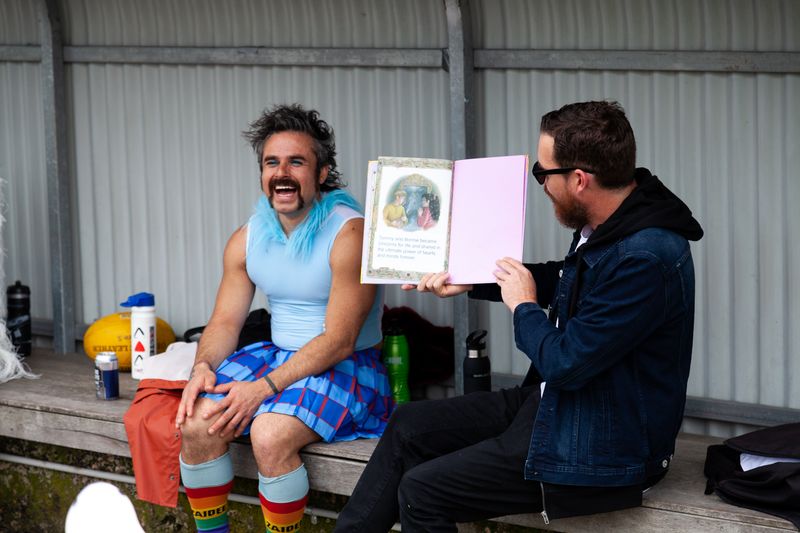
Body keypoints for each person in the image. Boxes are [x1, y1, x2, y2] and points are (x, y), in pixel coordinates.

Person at [334, 100, 704, 532]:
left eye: (543, 174)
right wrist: (471, 280)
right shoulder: (613, 224)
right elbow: (561, 278)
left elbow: (565, 363)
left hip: (603, 447)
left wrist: (524, 306)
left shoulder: (646, 257)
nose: (541, 185)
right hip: (561, 406)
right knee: (407, 426)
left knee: (423, 492)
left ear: (580, 180)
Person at [175, 104, 393, 533]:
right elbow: (223, 323)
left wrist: (261, 390)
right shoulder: (248, 237)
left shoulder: (350, 232)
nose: (282, 173)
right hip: (278, 358)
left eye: (297, 161)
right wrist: (202, 367)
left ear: (322, 173)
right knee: (198, 422)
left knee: (269, 434)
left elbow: (340, 340)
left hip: (345, 367)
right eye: (272, 163)